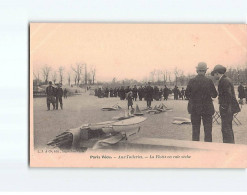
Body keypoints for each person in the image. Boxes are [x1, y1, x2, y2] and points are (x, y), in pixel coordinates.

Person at [185, 62, 218, 142]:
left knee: (195, 130)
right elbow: (214, 95)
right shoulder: (209, 81)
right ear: (205, 71)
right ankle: (208, 148)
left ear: (197, 70)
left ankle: (195, 148)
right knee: (208, 131)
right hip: (207, 109)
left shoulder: (191, 81)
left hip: (194, 109)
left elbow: (186, 94)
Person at [211, 64, 240, 144]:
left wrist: (223, 107)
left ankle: (228, 146)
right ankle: (230, 145)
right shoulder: (226, 79)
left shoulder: (224, 81)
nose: (214, 76)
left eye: (214, 74)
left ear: (217, 73)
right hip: (228, 108)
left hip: (227, 109)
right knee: (228, 128)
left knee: (226, 128)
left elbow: (228, 95)